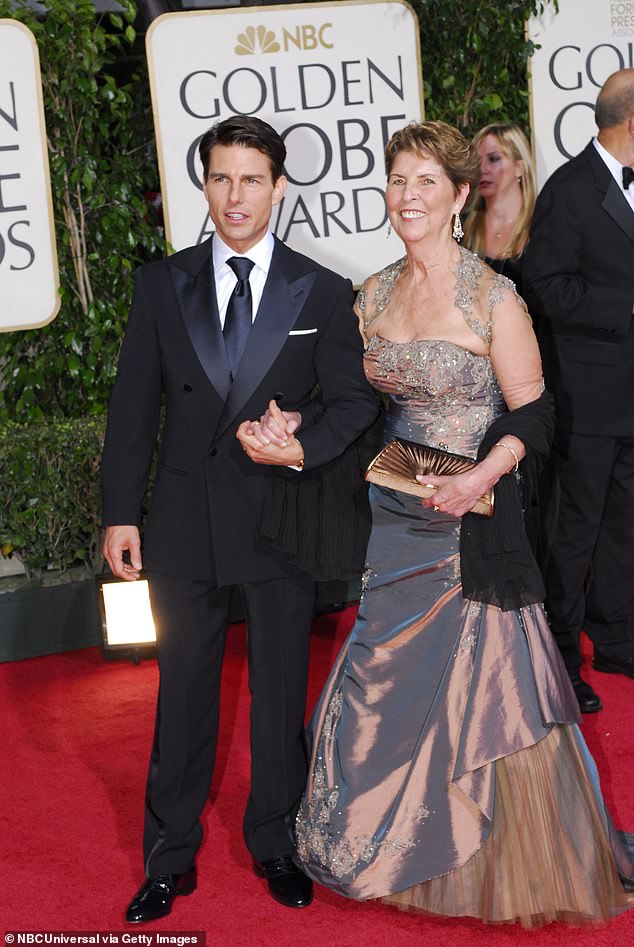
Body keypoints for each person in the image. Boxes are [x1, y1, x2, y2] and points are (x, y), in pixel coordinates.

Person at [284, 120, 634, 927]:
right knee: (382, 670)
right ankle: (386, 836)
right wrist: (288, 433)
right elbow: (345, 405)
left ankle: (483, 853)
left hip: (474, 518)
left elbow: (537, 410)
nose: (408, 196)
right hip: (395, 512)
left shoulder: (492, 295)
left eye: (425, 183)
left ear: (456, 197)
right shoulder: (370, 295)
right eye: (397, 181)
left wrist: (480, 472)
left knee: (487, 689)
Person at [100, 115, 378, 924]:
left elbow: (352, 402)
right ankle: (168, 855)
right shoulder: (162, 283)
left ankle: (276, 842)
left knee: (277, 690)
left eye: (251, 178)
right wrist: (122, 513)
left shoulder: (321, 290)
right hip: (184, 518)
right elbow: (132, 409)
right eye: (221, 178)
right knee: (182, 693)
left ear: (279, 186)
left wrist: (300, 449)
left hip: (276, 518)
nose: (235, 196)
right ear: (205, 185)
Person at [523, 68, 634, 715]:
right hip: (587, 401)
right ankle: (560, 657)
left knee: (625, 527)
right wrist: (625, 304)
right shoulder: (569, 191)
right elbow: (544, 287)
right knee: (575, 532)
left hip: (628, 399)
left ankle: (617, 637)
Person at [463, 122, 536, 299]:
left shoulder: (543, 227)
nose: (482, 169)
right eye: (476, 162)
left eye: (493, 159)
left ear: (520, 167)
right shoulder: (461, 228)